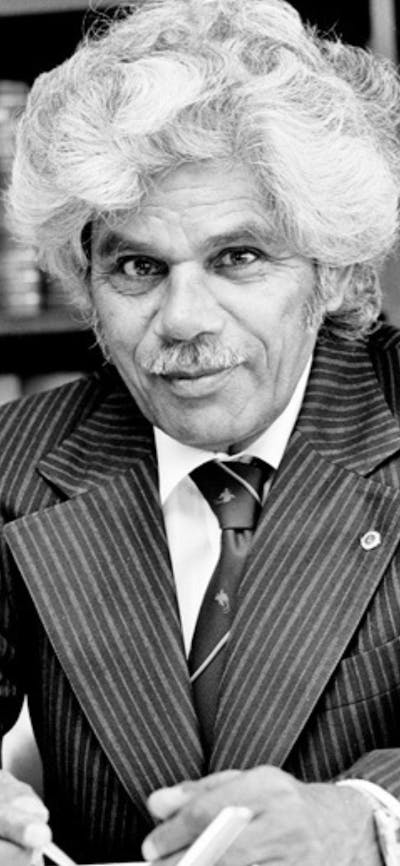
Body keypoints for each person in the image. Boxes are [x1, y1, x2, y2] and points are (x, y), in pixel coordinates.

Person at [1, 0, 400, 862]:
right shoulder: (16, 460)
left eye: (238, 258)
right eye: (139, 267)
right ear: (87, 282)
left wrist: (371, 819)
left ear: (332, 272)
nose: (182, 321)